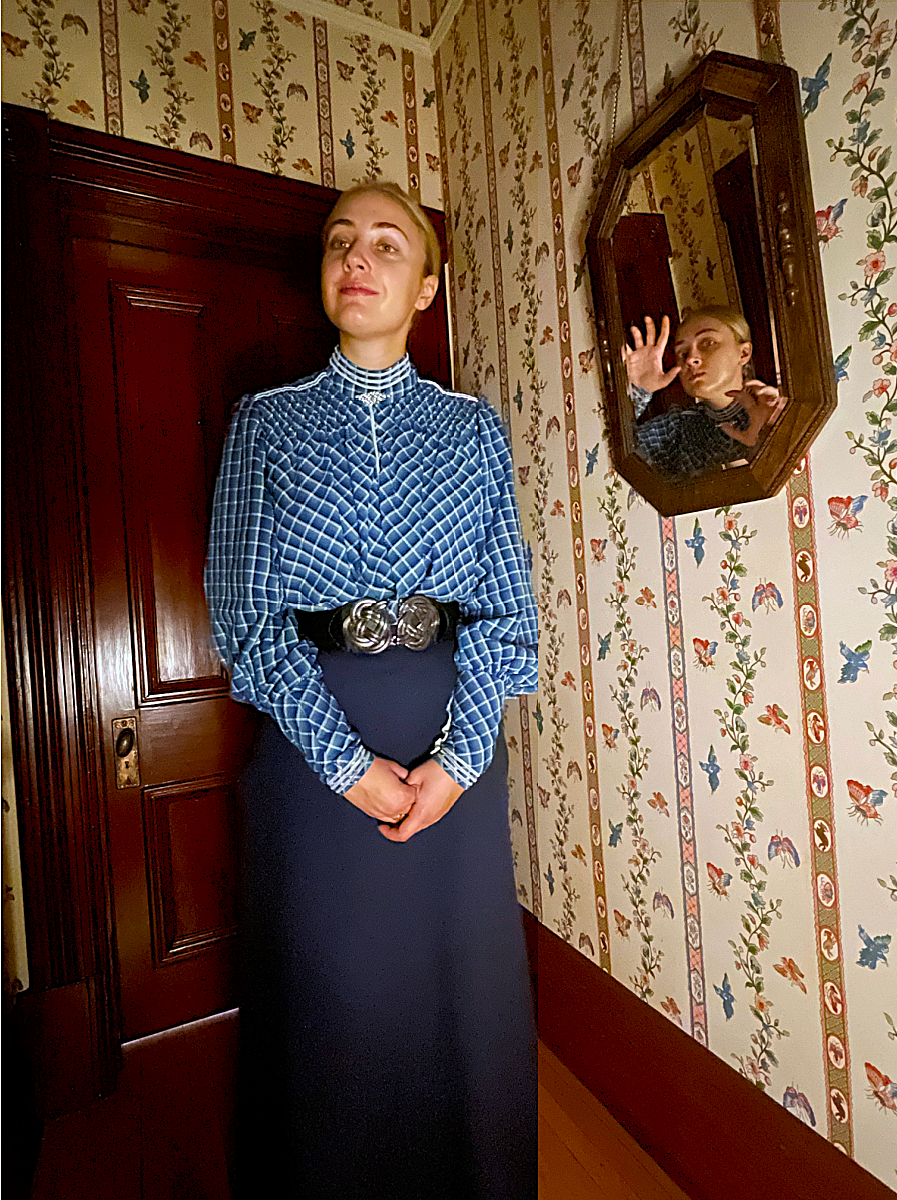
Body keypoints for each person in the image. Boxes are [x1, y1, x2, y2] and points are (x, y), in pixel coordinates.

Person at [204, 180, 538, 1199]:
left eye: (389, 243)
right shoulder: (264, 425)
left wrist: (461, 760)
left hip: (453, 746)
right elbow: (247, 622)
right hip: (313, 752)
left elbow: (506, 615)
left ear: (426, 286)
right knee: (331, 1004)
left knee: (462, 998)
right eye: (341, 240)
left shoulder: (475, 431)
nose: (360, 255)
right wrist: (348, 765)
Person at [622, 307, 786, 478]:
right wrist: (639, 391)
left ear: (744, 353)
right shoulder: (676, 429)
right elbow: (614, 454)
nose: (691, 359)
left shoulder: (778, 411)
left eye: (708, 343)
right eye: (682, 353)